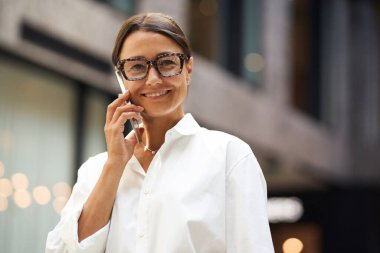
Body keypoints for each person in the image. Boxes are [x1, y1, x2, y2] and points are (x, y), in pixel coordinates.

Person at [45, 12, 274, 253]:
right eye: (136, 67)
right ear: (120, 77)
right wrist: (114, 165)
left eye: (166, 63)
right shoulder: (96, 170)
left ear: (188, 69)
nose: (153, 79)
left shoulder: (229, 157)